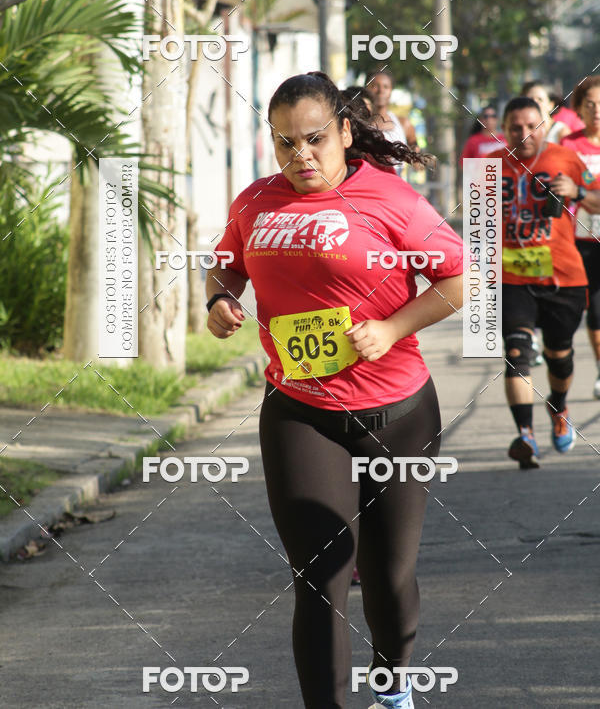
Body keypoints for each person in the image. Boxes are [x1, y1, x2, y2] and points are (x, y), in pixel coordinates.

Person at [206, 71, 464, 708]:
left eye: (314, 139)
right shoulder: (256, 201)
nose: (300, 156)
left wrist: (393, 327)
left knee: (386, 576)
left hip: (397, 412)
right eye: (284, 142)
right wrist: (218, 300)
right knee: (319, 576)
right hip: (301, 410)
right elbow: (225, 264)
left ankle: (393, 679)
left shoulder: (391, 199)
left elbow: (458, 280)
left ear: (346, 132)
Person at [488, 96, 600, 469]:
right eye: (515, 127)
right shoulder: (488, 166)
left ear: (545, 127)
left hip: (563, 276)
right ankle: (525, 436)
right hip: (512, 278)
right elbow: (477, 232)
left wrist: (579, 194)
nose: (524, 134)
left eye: (531, 126)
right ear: (503, 129)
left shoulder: (565, 158)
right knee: (517, 352)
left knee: (559, 355)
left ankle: (559, 407)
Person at [562, 75, 600, 399]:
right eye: (590, 105)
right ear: (579, 109)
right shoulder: (569, 145)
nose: (597, 111)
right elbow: (563, 192)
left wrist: (583, 194)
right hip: (583, 238)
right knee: (596, 310)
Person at [367, 69, 418, 152]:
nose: (381, 91)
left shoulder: (404, 124)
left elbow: (416, 156)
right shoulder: (358, 124)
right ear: (366, 89)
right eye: (375, 86)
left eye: (386, 87)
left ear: (391, 91)